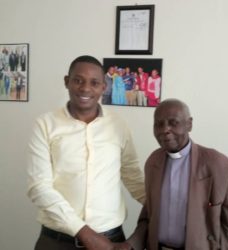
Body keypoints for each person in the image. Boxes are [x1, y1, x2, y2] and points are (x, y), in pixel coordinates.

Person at [27, 55, 145, 250]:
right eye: (78, 80)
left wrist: (160, 204)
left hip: (112, 240)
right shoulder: (45, 125)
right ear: (67, 82)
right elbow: (39, 187)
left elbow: (131, 174)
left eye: (94, 82)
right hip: (57, 241)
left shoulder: (118, 126)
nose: (85, 88)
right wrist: (85, 233)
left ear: (103, 87)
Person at [115, 98, 228, 250]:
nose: (165, 129)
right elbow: (148, 218)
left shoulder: (220, 166)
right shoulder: (153, 162)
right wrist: (131, 244)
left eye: (173, 122)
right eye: (159, 124)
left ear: (189, 124)